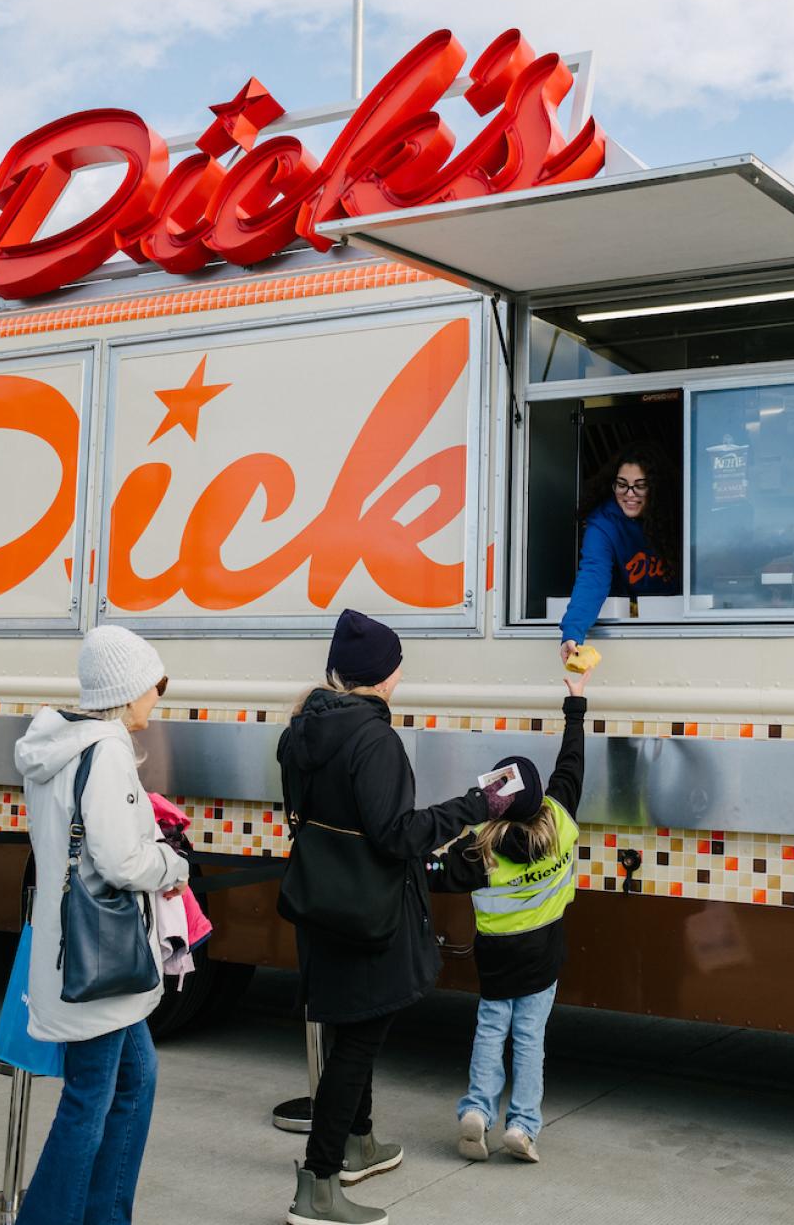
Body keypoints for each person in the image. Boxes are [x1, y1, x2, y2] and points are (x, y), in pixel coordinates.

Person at [278, 609, 513, 1225]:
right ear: (383, 675)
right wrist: (477, 804)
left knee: (349, 1025)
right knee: (360, 1038)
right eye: (398, 663)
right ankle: (319, 1184)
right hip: (369, 910)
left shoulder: (303, 728)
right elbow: (396, 836)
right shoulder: (374, 739)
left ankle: (358, 1142)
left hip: (320, 903)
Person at [13, 625, 189, 1225]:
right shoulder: (107, 750)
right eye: (153, 686)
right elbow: (119, 860)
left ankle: (105, 1216)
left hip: (71, 948)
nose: (156, 699)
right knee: (91, 1098)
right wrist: (171, 862)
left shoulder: (55, 744)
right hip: (99, 959)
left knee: (135, 1081)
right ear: (127, 688)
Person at [426, 665, 591, 1163]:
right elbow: (572, 762)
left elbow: (428, 869)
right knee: (529, 1040)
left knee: (491, 1030)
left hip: (497, 960)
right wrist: (576, 703)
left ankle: (476, 1111)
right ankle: (522, 1125)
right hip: (544, 956)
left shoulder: (480, 851)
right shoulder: (560, 816)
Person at [560, 442, 680, 664]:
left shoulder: (679, 516)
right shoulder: (604, 522)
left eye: (640, 486)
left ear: (655, 487)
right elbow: (593, 576)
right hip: (631, 628)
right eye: (622, 485)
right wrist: (573, 632)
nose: (629, 494)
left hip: (680, 627)